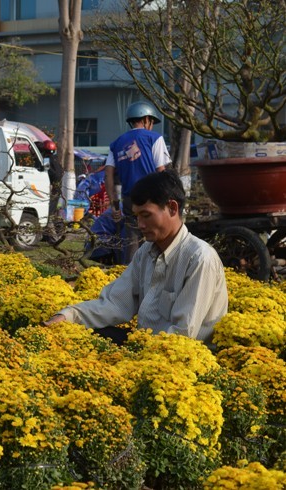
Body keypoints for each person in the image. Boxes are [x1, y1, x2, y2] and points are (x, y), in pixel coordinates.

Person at [43, 170, 227, 347]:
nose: (140, 225)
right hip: (145, 345)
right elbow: (116, 303)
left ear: (172, 208)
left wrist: (135, 358)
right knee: (86, 334)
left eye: (146, 215)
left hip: (180, 359)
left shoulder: (199, 258)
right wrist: (68, 316)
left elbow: (183, 334)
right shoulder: (146, 252)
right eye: (137, 216)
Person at [105, 101, 171, 264]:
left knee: (132, 240)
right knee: (157, 237)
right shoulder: (154, 138)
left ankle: (131, 279)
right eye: (152, 122)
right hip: (152, 198)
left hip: (130, 200)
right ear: (146, 119)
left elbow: (108, 176)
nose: (152, 126)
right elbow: (161, 170)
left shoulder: (116, 144)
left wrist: (114, 206)